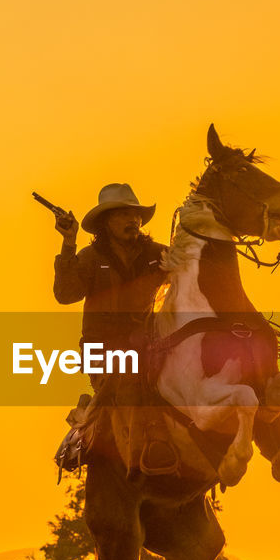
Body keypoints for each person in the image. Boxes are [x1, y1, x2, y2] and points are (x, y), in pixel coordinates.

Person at [52, 183, 176, 474]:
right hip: (102, 349)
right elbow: (65, 294)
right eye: (122, 215)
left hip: (147, 345)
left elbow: (189, 274)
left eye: (135, 215)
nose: (132, 220)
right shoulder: (90, 258)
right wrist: (68, 243)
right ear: (106, 223)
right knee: (131, 385)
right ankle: (137, 439)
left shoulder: (157, 254)